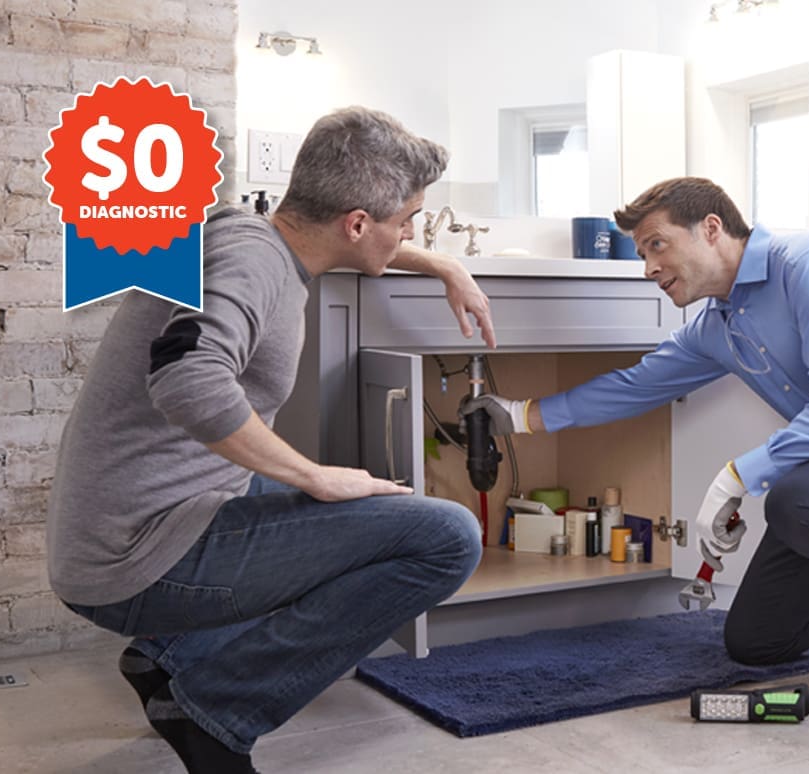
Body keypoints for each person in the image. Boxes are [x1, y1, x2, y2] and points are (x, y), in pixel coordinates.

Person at [48, 107, 497, 773]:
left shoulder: (248, 232)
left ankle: (167, 657)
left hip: (125, 529)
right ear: (356, 223)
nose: (405, 232)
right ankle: (216, 715)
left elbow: (365, 237)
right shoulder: (255, 265)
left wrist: (438, 263)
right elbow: (188, 380)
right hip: (137, 557)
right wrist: (313, 476)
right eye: (406, 220)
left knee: (346, 512)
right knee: (444, 538)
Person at [463, 177, 809, 707]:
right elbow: (637, 385)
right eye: (641, 254)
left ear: (712, 228)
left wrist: (738, 476)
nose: (649, 267)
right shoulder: (717, 326)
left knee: (797, 500)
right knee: (757, 640)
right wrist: (521, 416)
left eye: (657, 245)